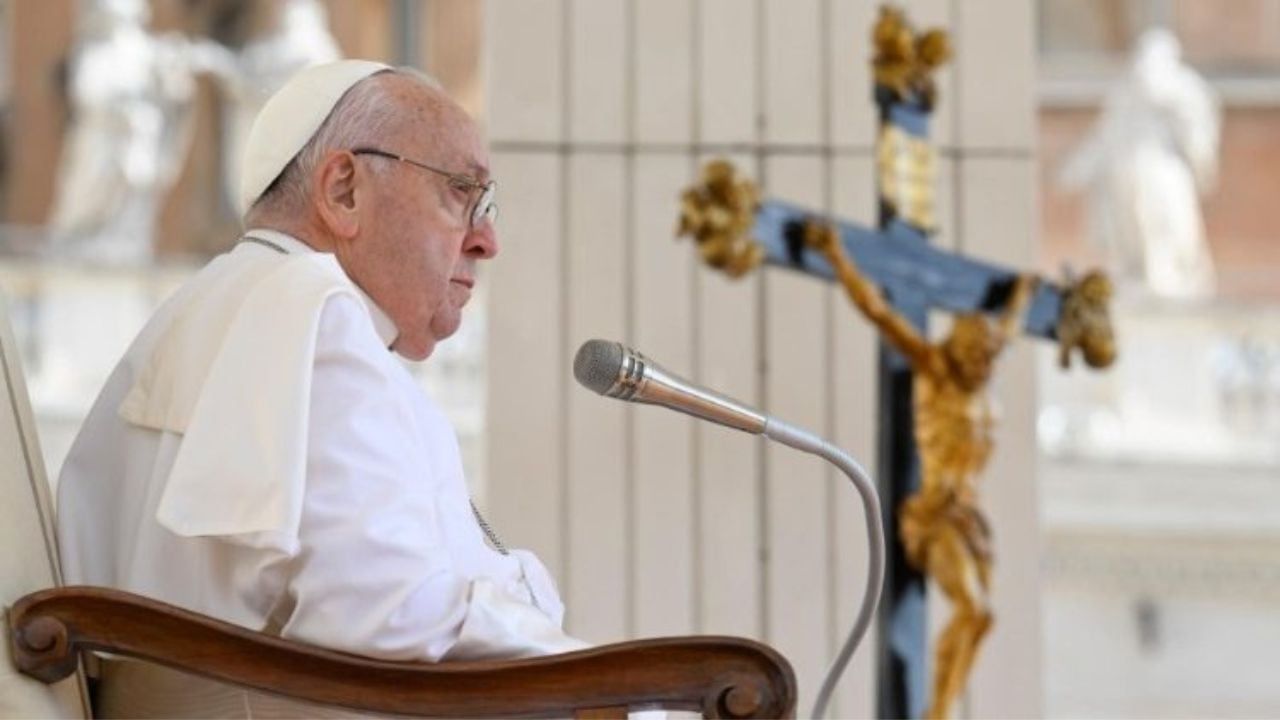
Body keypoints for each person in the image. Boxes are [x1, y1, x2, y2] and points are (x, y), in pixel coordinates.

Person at [56, 60, 587, 716]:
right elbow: (392, 613)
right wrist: (558, 631)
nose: (487, 240)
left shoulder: (211, 305)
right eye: (461, 193)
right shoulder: (314, 311)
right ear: (343, 190)